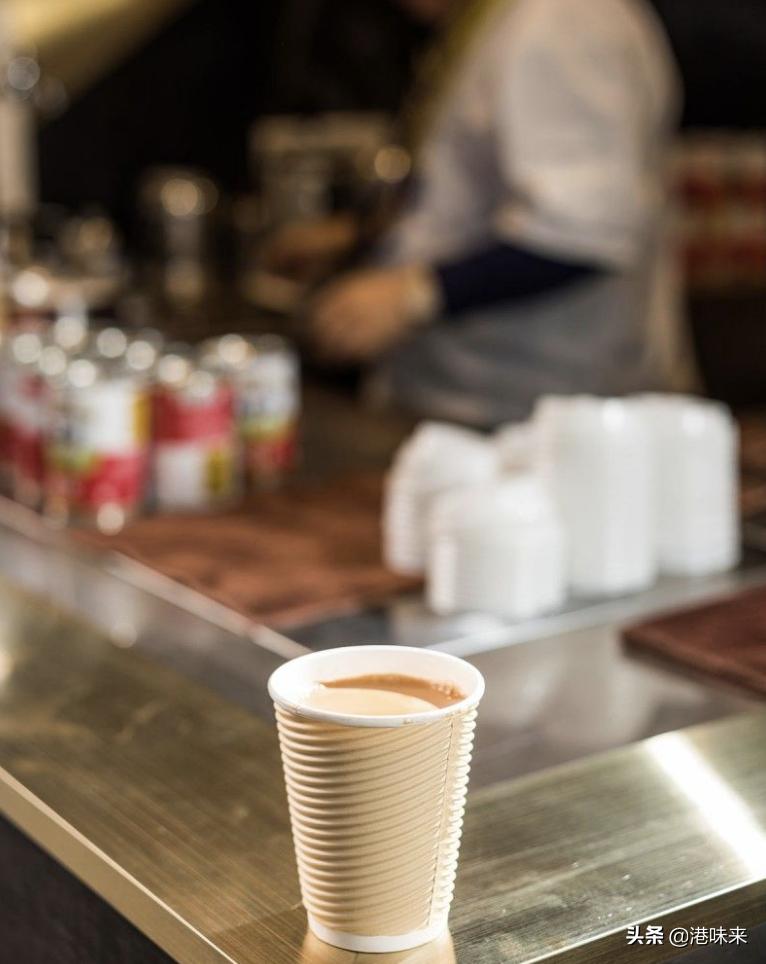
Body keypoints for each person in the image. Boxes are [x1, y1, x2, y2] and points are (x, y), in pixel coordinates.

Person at [269, 0, 687, 426]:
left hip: (538, 412)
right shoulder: (494, 17)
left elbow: (583, 233)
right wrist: (359, 235)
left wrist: (416, 294)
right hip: (474, 399)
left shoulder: (563, 19)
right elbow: (477, 190)